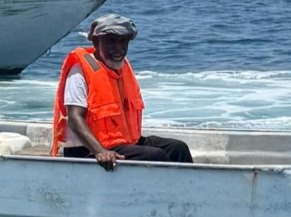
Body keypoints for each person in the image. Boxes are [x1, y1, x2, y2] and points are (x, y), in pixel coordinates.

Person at [52, 14, 194, 167]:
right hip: (89, 149)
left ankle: (186, 183)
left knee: (178, 149)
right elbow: (75, 119)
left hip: (123, 142)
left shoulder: (122, 67)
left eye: (123, 42)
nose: (118, 48)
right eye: (111, 41)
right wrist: (100, 151)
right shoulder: (80, 71)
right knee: (155, 156)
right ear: (96, 41)